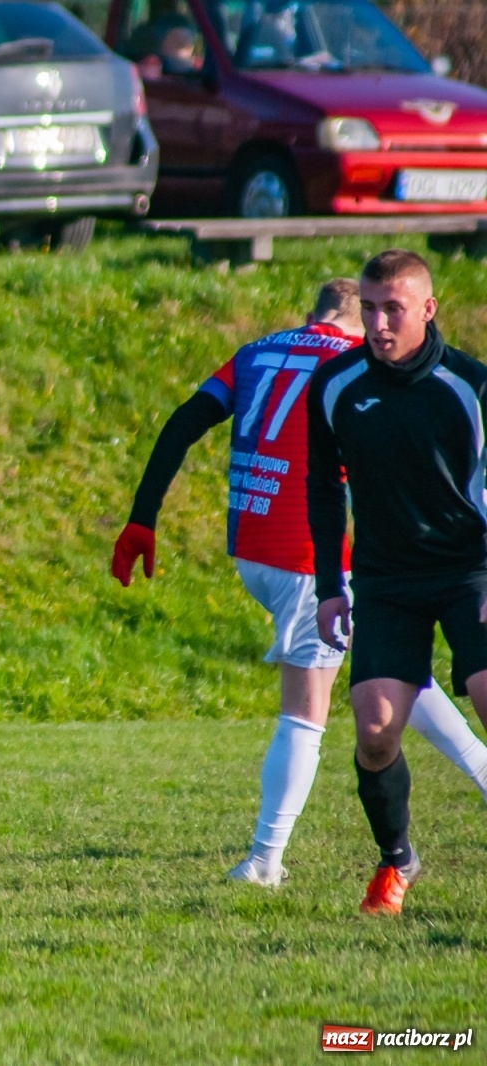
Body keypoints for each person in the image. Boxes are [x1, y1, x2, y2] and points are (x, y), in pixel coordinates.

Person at [114, 278, 487, 889]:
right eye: (368, 317)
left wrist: (141, 516)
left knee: (388, 668)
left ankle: (479, 771)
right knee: (306, 713)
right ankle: (265, 860)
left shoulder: (257, 351)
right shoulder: (347, 369)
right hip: (310, 556)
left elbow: (186, 420)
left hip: (252, 546)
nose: (378, 333)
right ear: (349, 320)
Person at [308, 249, 487, 916]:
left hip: (471, 570)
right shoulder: (335, 387)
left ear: (428, 309)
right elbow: (323, 489)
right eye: (371, 308)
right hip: (384, 581)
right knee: (376, 731)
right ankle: (395, 862)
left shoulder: (469, 386)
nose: (380, 324)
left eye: (395, 310)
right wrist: (331, 586)